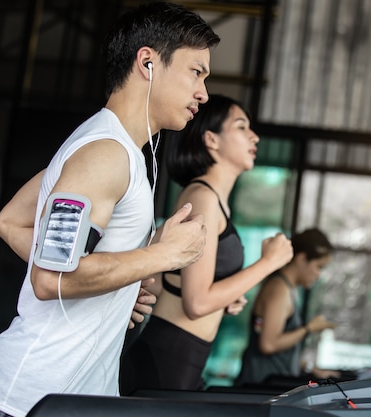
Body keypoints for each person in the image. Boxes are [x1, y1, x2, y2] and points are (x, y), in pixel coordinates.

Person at [0, 3, 219, 416]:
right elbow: (51, 278)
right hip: (31, 400)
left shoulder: (110, 148)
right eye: (196, 71)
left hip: (72, 398)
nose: (204, 93)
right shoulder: (104, 153)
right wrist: (161, 254)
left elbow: (10, 221)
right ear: (148, 63)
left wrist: (117, 285)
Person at [119, 94, 293, 394]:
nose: (254, 136)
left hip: (180, 360)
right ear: (211, 140)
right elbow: (196, 303)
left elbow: (163, 282)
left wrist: (225, 296)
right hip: (167, 361)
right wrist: (269, 264)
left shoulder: (213, 200)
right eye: (241, 127)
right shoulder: (203, 198)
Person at [235, 228, 339, 387]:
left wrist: (309, 367)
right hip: (260, 388)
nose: (318, 275)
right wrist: (308, 329)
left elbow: (282, 352)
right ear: (302, 258)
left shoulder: (288, 289)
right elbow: (268, 345)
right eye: (319, 266)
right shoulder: (279, 289)